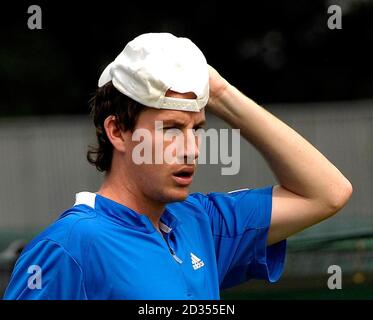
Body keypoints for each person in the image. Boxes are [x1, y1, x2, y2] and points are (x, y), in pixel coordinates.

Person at [3, 33, 352, 300]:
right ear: (117, 132)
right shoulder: (68, 246)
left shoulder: (201, 223)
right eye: (171, 129)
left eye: (197, 129)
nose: (190, 149)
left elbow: (328, 193)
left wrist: (221, 95)